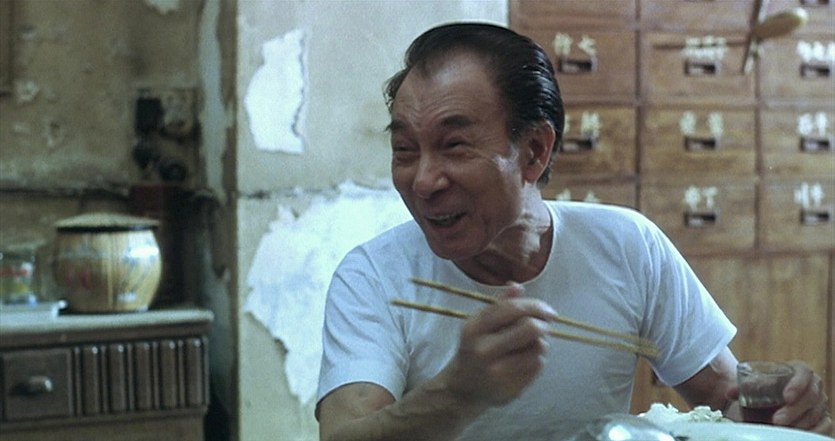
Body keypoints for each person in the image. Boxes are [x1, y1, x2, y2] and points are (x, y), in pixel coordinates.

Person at [315, 22, 832, 441]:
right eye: (405, 151)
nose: (424, 181)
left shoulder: (628, 246)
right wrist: (456, 394)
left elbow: (725, 400)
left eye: (454, 146)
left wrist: (784, 410)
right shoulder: (374, 277)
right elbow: (343, 436)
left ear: (535, 151)